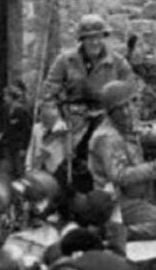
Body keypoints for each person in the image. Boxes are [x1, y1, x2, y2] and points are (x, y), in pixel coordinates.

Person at [42, 14, 134, 166]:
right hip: (73, 117)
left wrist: (125, 118)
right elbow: (48, 94)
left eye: (99, 37)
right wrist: (54, 119)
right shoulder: (65, 61)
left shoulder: (118, 62)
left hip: (106, 117)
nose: (95, 42)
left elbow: (130, 91)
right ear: (82, 40)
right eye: (90, 38)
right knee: (55, 156)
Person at [89, 80, 156, 239]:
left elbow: (142, 133)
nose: (126, 112)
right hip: (116, 202)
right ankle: (119, 234)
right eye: (119, 109)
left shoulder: (123, 127)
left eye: (128, 105)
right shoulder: (107, 137)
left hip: (134, 197)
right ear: (110, 113)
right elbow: (119, 176)